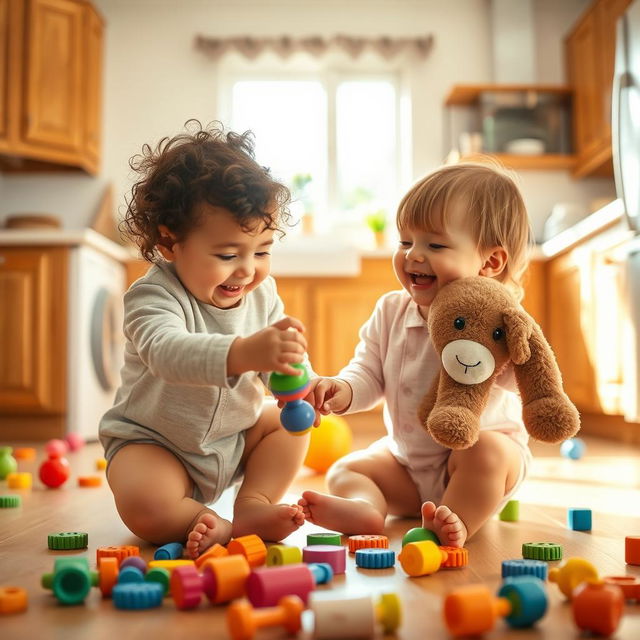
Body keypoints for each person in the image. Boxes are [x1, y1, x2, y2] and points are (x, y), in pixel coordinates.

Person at [100, 121, 309, 559]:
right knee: (146, 505)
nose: (248, 270)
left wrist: (302, 383)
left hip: (232, 440)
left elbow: (277, 368)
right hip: (155, 443)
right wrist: (244, 352)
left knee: (291, 423)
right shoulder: (153, 295)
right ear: (171, 242)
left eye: (263, 251)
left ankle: (253, 505)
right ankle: (202, 521)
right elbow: (166, 352)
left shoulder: (261, 293)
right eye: (228, 255)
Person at [299, 162, 534, 548]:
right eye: (405, 242)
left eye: (434, 245)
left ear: (490, 262)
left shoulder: (501, 322)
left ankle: (454, 523)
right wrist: (341, 388)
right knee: (348, 468)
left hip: (474, 462)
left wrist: (507, 354)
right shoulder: (392, 310)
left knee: (488, 453)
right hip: (407, 465)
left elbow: (526, 381)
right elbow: (368, 371)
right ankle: (366, 508)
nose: (413, 256)